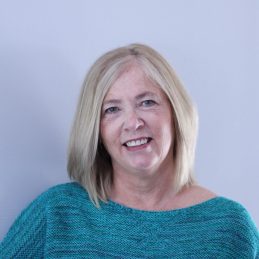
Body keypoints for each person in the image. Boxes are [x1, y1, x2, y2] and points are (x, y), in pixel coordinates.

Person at [0, 43, 258, 258]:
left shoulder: (229, 227)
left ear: (176, 113)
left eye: (147, 102)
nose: (133, 123)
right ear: (95, 129)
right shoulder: (57, 214)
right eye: (112, 109)